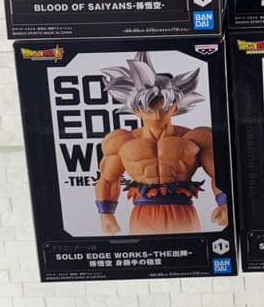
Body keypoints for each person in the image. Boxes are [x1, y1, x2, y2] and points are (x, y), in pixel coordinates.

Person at [95, 51, 229, 235]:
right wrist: (106, 214)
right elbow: (108, 180)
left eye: (163, 108)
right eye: (149, 110)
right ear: (136, 110)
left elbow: (219, 174)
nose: (156, 116)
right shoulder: (121, 142)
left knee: (190, 252)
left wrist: (224, 203)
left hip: (183, 214)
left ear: (175, 107)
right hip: (142, 214)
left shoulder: (196, 138)